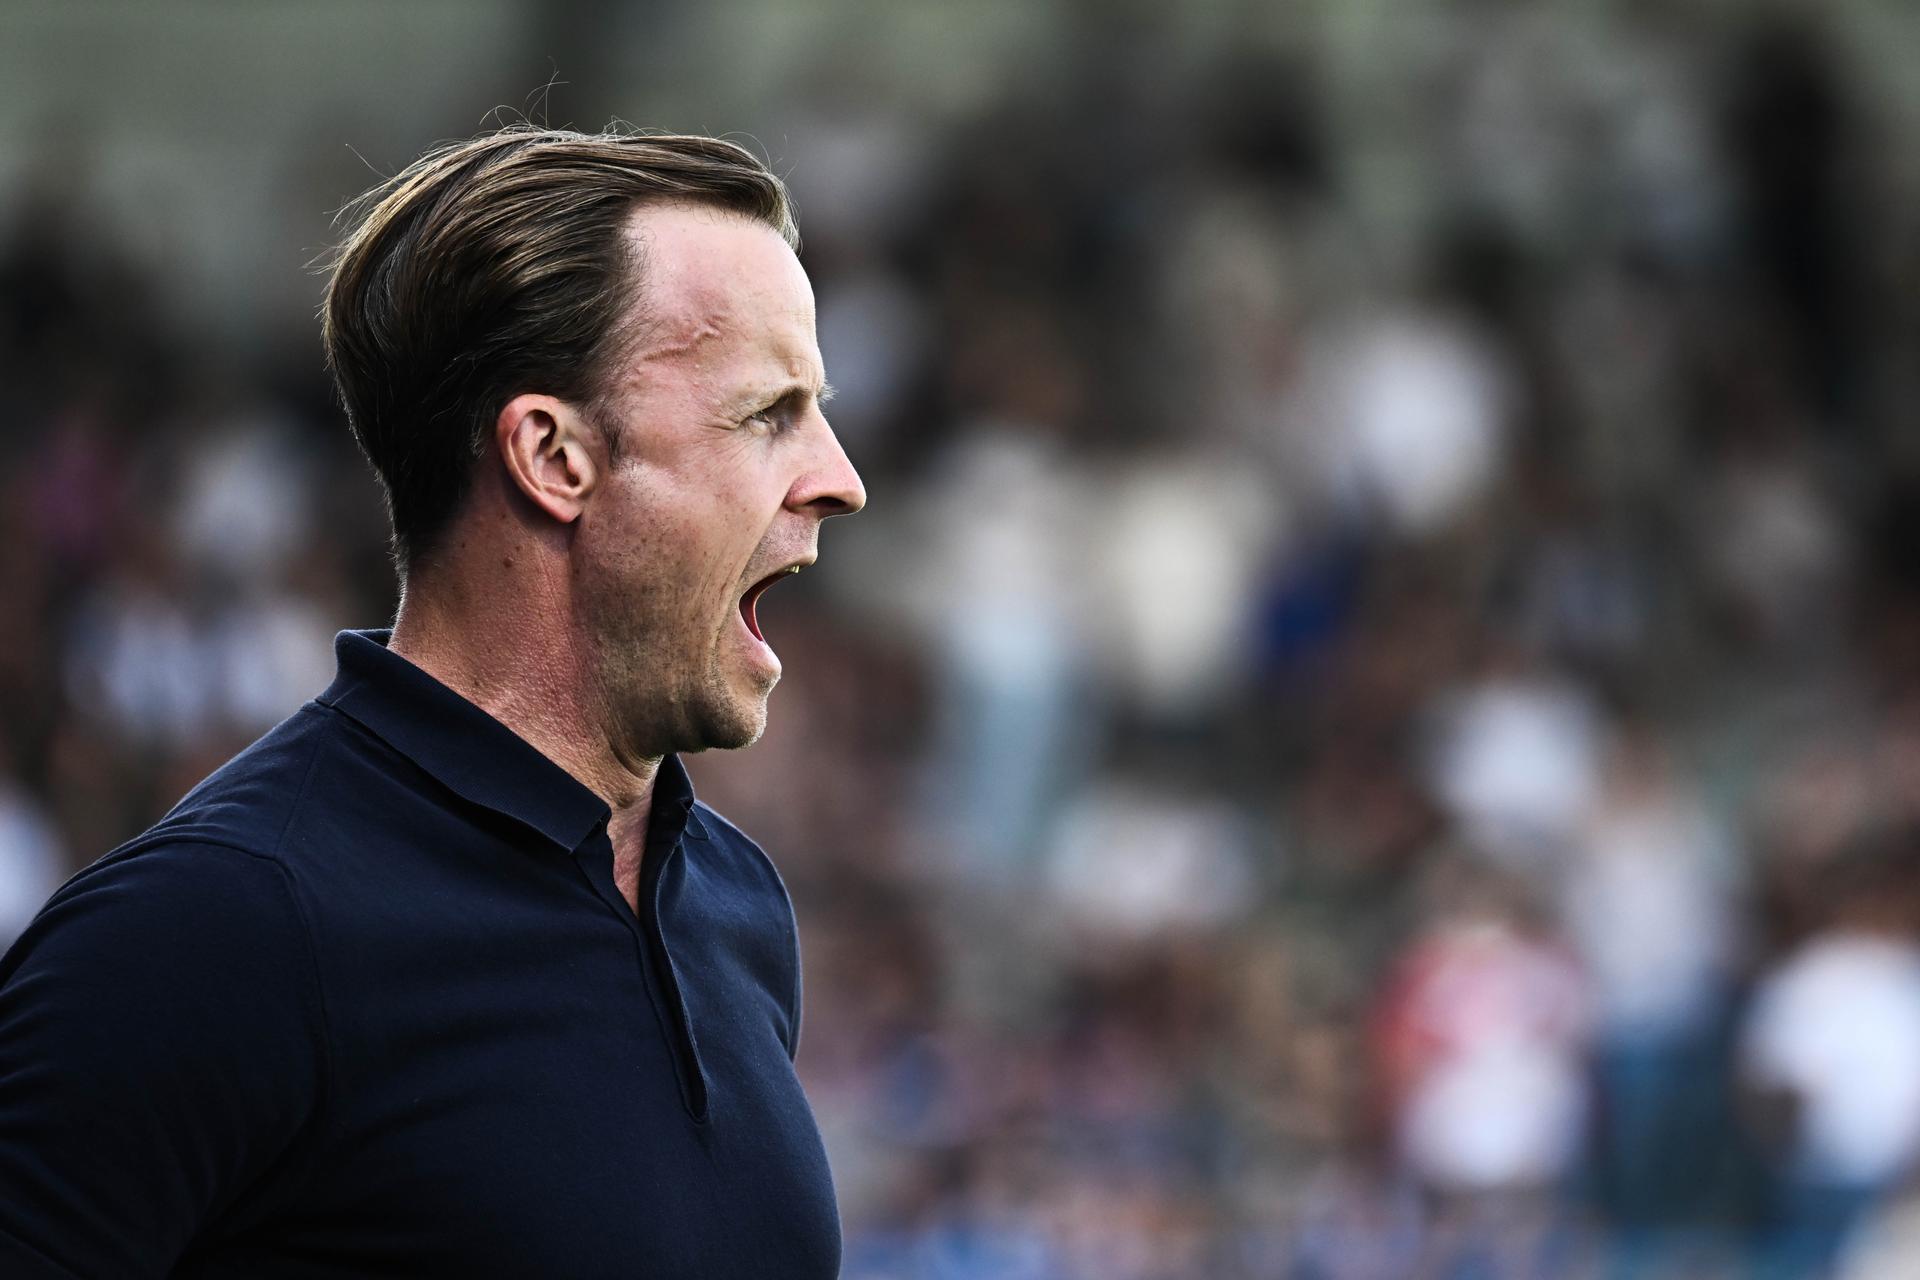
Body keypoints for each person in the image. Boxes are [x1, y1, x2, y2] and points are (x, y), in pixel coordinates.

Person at [0, 126, 865, 1278]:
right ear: (553, 455)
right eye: (768, 413)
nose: (841, 478)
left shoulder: (734, 908)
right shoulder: (210, 931)